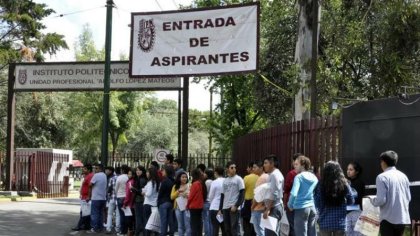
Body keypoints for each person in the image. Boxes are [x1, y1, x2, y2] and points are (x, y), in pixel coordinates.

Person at [369, 150, 411, 236]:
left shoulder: (381, 177)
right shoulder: (403, 176)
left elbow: (381, 200)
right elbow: (408, 197)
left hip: (387, 219)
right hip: (402, 218)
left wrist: (372, 200)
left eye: (381, 161)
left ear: (383, 162)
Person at [314, 161, 354, 236]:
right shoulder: (344, 183)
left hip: (324, 223)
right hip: (340, 223)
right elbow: (351, 200)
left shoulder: (321, 185)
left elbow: (317, 203)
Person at [287, 156, 318, 236]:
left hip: (301, 208)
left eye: (296, 164)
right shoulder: (314, 177)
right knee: (312, 233)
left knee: (300, 233)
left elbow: (294, 193)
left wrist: (290, 205)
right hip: (312, 207)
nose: (294, 166)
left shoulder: (298, 177)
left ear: (303, 165)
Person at [219, 161, 245, 236]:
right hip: (225, 207)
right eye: (232, 168)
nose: (234, 169)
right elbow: (222, 195)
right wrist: (220, 209)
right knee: (227, 229)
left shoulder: (239, 179)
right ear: (227, 169)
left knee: (235, 229)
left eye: (235, 168)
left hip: (233, 208)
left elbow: (242, 194)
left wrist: (236, 205)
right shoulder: (225, 180)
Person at [263, 154, 285, 236]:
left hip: (273, 208)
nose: (264, 165)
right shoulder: (274, 174)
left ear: (272, 164)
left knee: (270, 233)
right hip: (274, 206)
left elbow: (273, 193)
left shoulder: (274, 175)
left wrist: (268, 209)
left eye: (266, 163)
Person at [284, 153, 303, 236]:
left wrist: (286, 204)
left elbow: (287, 190)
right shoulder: (309, 174)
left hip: (292, 204)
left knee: (292, 226)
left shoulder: (291, 174)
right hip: (303, 205)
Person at [72, 164, 94, 231]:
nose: (83, 170)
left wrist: (88, 196)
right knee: (85, 212)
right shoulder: (87, 176)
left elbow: (90, 187)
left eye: (85, 169)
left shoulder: (90, 176)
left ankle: (79, 226)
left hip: (86, 197)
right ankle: (87, 226)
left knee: (83, 212)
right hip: (84, 196)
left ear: (89, 170)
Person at [345, 161, 365, 236]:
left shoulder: (359, 182)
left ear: (356, 171)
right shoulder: (346, 182)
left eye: (351, 169)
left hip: (356, 211)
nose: (348, 171)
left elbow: (357, 198)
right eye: (347, 169)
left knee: (357, 233)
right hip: (347, 212)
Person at [87, 164, 107, 234]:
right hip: (103, 198)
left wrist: (88, 196)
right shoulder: (104, 175)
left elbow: (90, 184)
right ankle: (100, 227)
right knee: (101, 213)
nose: (95, 170)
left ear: (100, 169)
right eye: (95, 168)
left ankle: (94, 228)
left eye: (96, 168)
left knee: (94, 213)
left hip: (96, 198)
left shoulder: (96, 175)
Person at [250, 160, 269, 236]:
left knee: (259, 231)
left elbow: (258, 197)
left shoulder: (261, 179)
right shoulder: (267, 176)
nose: (253, 169)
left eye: (255, 167)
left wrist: (252, 207)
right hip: (264, 207)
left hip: (258, 208)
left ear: (261, 168)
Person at [171, 171, 191, 236]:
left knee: (187, 225)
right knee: (180, 226)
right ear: (179, 178)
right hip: (178, 208)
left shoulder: (190, 186)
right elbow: (172, 197)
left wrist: (188, 196)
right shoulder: (175, 186)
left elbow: (192, 196)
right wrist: (178, 191)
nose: (184, 178)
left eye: (185, 177)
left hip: (187, 208)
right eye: (183, 177)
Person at [187, 168, 207, 236]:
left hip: (194, 206)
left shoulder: (195, 184)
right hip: (199, 206)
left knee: (193, 224)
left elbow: (191, 196)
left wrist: (187, 205)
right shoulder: (200, 183)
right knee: (199, 223)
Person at [158, 165, 175, 236]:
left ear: (167, 172)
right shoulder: (173, 181)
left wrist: (158, 202)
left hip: (163, 202)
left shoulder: (164, 181)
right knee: (170, 219)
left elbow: (160, 193)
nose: (162, 172)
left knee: (163, 220)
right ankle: (171, 232)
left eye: (163, 170)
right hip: (170, 202)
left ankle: (163, 233)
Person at [208, 166, 226, 236]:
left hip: (214, 207)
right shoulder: (226, 181)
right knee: (224, 228)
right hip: (224, 207)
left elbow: (210, 196)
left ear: (216, 173)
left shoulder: (214, 182)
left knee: (215, 228)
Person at [143, 167, 160, 236]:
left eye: (148, 172)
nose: (146, 174)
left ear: (151, 174)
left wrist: (144, 193)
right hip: (154, 204)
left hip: (148, 204)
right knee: (154, 223)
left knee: (147, 223)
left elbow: (148, 194)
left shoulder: (150, 183)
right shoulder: (157, 182)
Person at [242, 162, 258, 236]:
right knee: (255, 222)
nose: (246, 169)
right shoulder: (259, 177)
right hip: (257, 202)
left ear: (251, 168)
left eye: (247, 167)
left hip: (248, 202)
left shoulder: (246, 178)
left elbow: (243, 190)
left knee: (246, 222)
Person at [132, 166, 147, 236]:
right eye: (137, 170)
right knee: (142, 218)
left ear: (143, 171)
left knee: (139, 218)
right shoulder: (140, 179)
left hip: (139, 200)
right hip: (140, 200)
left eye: (139, 170)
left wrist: (133, 189)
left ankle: (137, 233)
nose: (137, 171)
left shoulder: (141, 180)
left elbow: (141, 191)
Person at [105, 166, 121, 234]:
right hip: (119, 199)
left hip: (112, 198)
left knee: (110, 214)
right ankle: (117, 228)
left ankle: (108, 228)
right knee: (118, 214)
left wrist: (108, 196)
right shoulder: (123, 179)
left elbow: (109, 189)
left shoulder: (112, 178)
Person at [116, 165, 130, 236]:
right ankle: (127, 231)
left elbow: (116, 188)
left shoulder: (119, 177)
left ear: (122, 170)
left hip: (120, 197)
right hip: (127, 197)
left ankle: (122, 231)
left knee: (121, 215)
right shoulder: (128, 177)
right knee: (127, 215)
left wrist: (116, 195)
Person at [123, 168, 136, 236]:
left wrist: (125, 203)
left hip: (129, 204)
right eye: (128, 174)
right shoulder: (134, 181)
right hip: (133, 203)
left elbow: (128, 194)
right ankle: (132, 231)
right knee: (133, 219)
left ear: (133, 175)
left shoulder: (130, 182)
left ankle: (130, 232)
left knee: (129, 219)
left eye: (130, 174)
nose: (128, 175)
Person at [203, 168, 214, 236]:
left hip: (206, 202)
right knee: (211, 220)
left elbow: (205, 192)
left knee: (206, 220)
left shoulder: (207, 182)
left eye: (204, 173)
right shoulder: (213, 181)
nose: (203, 174)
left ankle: (207, 234)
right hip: (212, 202)